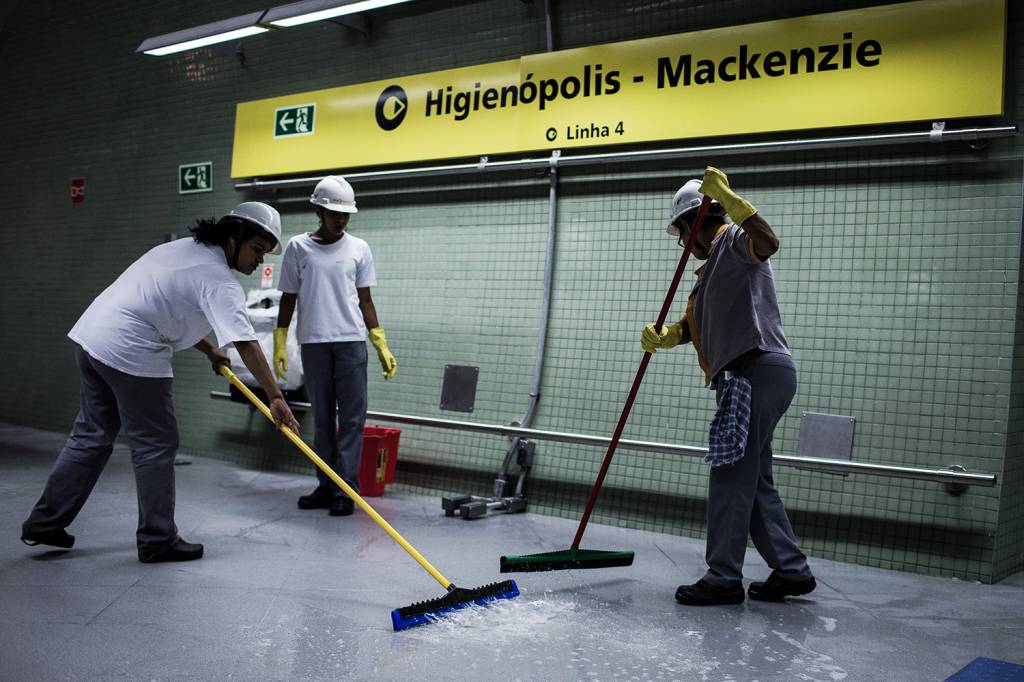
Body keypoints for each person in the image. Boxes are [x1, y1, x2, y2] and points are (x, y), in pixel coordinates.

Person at [21, 202, 301, 563]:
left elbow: (161, 305)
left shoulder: (180, 250)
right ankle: (157, 539)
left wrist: (209, 349)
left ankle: (44, 523)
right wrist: (276, 397)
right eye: (257, 249)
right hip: (130, 350)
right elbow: (247, 344)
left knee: (90, 435)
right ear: (234, 238)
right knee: (155, 444)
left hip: (93, 339)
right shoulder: (219, 278)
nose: (259, 261)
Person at [641, 167, 816, 605]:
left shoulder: (732, 242)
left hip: (753, 368)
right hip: (755, 373)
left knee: (729, 473)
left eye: (683, 233)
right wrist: (671, 336)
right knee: (754, 479)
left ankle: (722, 577)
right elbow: (699, 322)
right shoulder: (709, 272)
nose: (684, 244)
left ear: (693, 223)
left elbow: (768, 242)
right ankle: (791, 570)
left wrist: (732, 200)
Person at [274, 175, 397, 517]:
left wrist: (380, 342)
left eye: (345, 214)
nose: (340, 219)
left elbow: (366, 300)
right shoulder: (298, 247)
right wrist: (280, 340)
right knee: (323, 419)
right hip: (314, 343)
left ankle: (347, 489)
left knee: (353, 419)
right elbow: (288, 297)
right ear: (317, 209)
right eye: (333, 212)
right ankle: (325, 485)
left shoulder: (359, 248)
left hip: (351, 343)